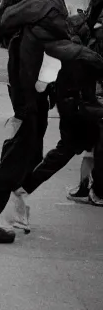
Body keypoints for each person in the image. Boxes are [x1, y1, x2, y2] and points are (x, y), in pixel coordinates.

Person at [0, 0, 103, 243]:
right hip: (30, 100)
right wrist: (94, 58)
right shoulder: (37, 20)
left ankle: (3, 211)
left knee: (24, 158)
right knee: (15, 163)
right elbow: (61, 48)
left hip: (29, 99)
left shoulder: (21, 19)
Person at [15, 19, 103, 223]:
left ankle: (85, 188)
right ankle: (22, 188)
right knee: (66, 152)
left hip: (72, 106)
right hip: (80, 108)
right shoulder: (82, 53)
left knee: (76, 150)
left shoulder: (63, 46)